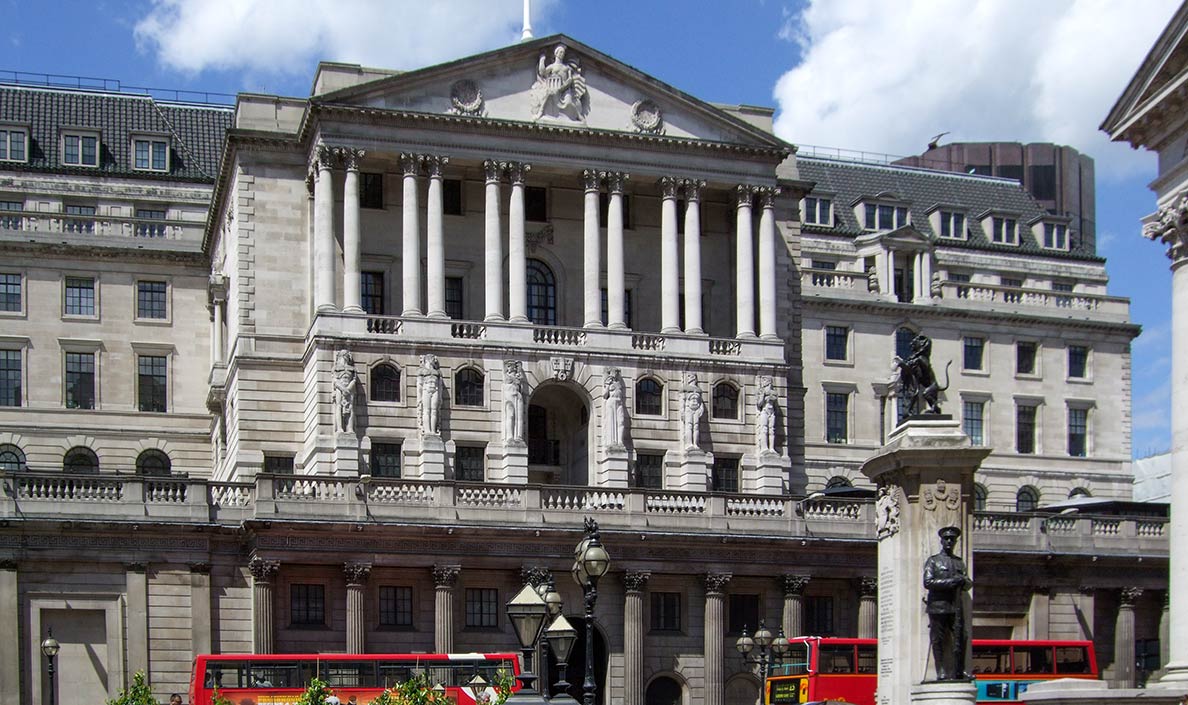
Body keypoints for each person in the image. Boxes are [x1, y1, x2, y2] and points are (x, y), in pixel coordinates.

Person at [923, 526, 972, 681]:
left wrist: (964, 582)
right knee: (938, 639)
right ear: (942, 541)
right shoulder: (934, 561)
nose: (950, 541)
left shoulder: (959, 563)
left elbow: (968, 582)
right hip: (938, 606)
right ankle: (941, 671)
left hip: (956, 607)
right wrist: (952, 581)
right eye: (947, 539)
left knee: (961, 637)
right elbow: (928, 582)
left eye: (952, 539)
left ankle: (959, 670)